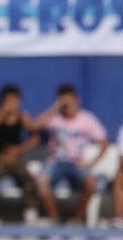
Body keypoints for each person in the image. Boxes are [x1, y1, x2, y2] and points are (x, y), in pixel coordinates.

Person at [34, 83, 109, 223]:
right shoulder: (55, 118)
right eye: (64, 102)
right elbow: (35, 125)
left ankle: (77, 219)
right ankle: (55, 219)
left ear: (77, 100)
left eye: (70, 101)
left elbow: (104, 144)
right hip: (56, 161)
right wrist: (56, 107)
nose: (67, 105)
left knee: (91, 183)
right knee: (41, 181)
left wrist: (91, 163)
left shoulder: (87, 119)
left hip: (77, 163)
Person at [0, 84, 41, 223]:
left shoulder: (23, 117)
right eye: (8, 100)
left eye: (14, 100)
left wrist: (20, 149)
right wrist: (3, 113)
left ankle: (30, 212)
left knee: (29, 181)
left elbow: (35, 138)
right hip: (0, 157)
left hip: (17, 157)